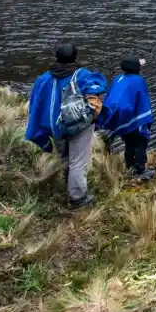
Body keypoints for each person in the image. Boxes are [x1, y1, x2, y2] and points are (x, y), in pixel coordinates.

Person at [26, 43, 107, 209]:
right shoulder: (81, 75)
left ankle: (68, 185)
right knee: (78, 161)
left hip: (55, 127)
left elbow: (34, 102)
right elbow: (98, 85)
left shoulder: (44, 78)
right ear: (75, 58)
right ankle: (77, 198)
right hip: (77, 126)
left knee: (65, 157)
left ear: (57, 57)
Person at [100, 55, 155, 180]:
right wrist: (146, 121)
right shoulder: (138, 81)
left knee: (129, 142)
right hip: (131, 118)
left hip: (118, 117)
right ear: (136, 68)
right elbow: (143, 102)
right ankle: (140, 170)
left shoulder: (118, 78)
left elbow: (111, 96)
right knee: (141, 141)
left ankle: (129, 166)